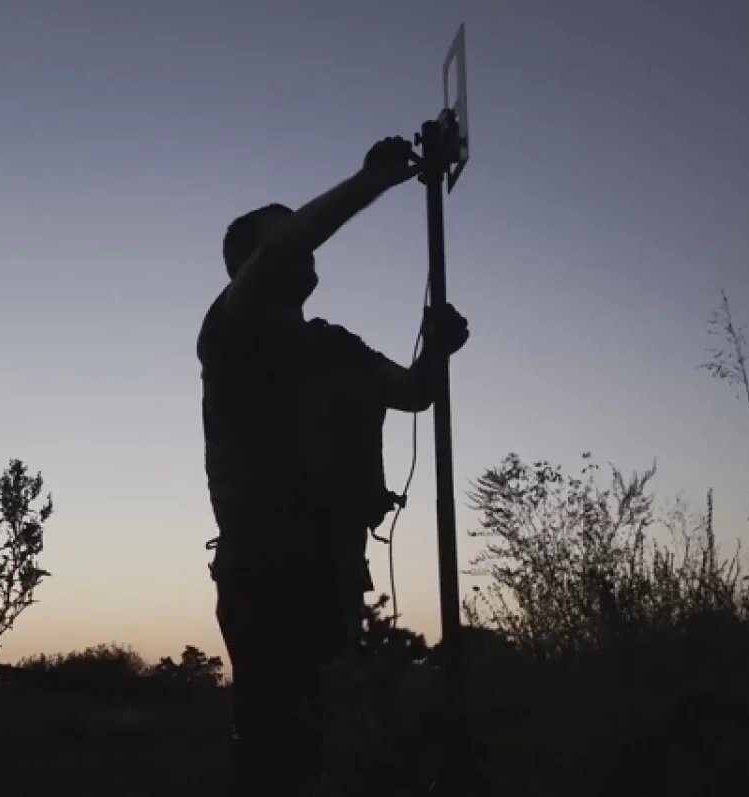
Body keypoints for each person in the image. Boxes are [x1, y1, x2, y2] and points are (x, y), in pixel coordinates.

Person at [197, 135, 470, 796]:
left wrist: (438, 349)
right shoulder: (233, 328)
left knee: (326, 740)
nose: (302, 242)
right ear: (250, 264)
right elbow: (283, 248)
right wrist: (373, 179)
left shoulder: (334, 346)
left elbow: (413, 392)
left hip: (335, 568)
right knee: (271, 744)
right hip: (265, 567)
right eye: (285, 235)